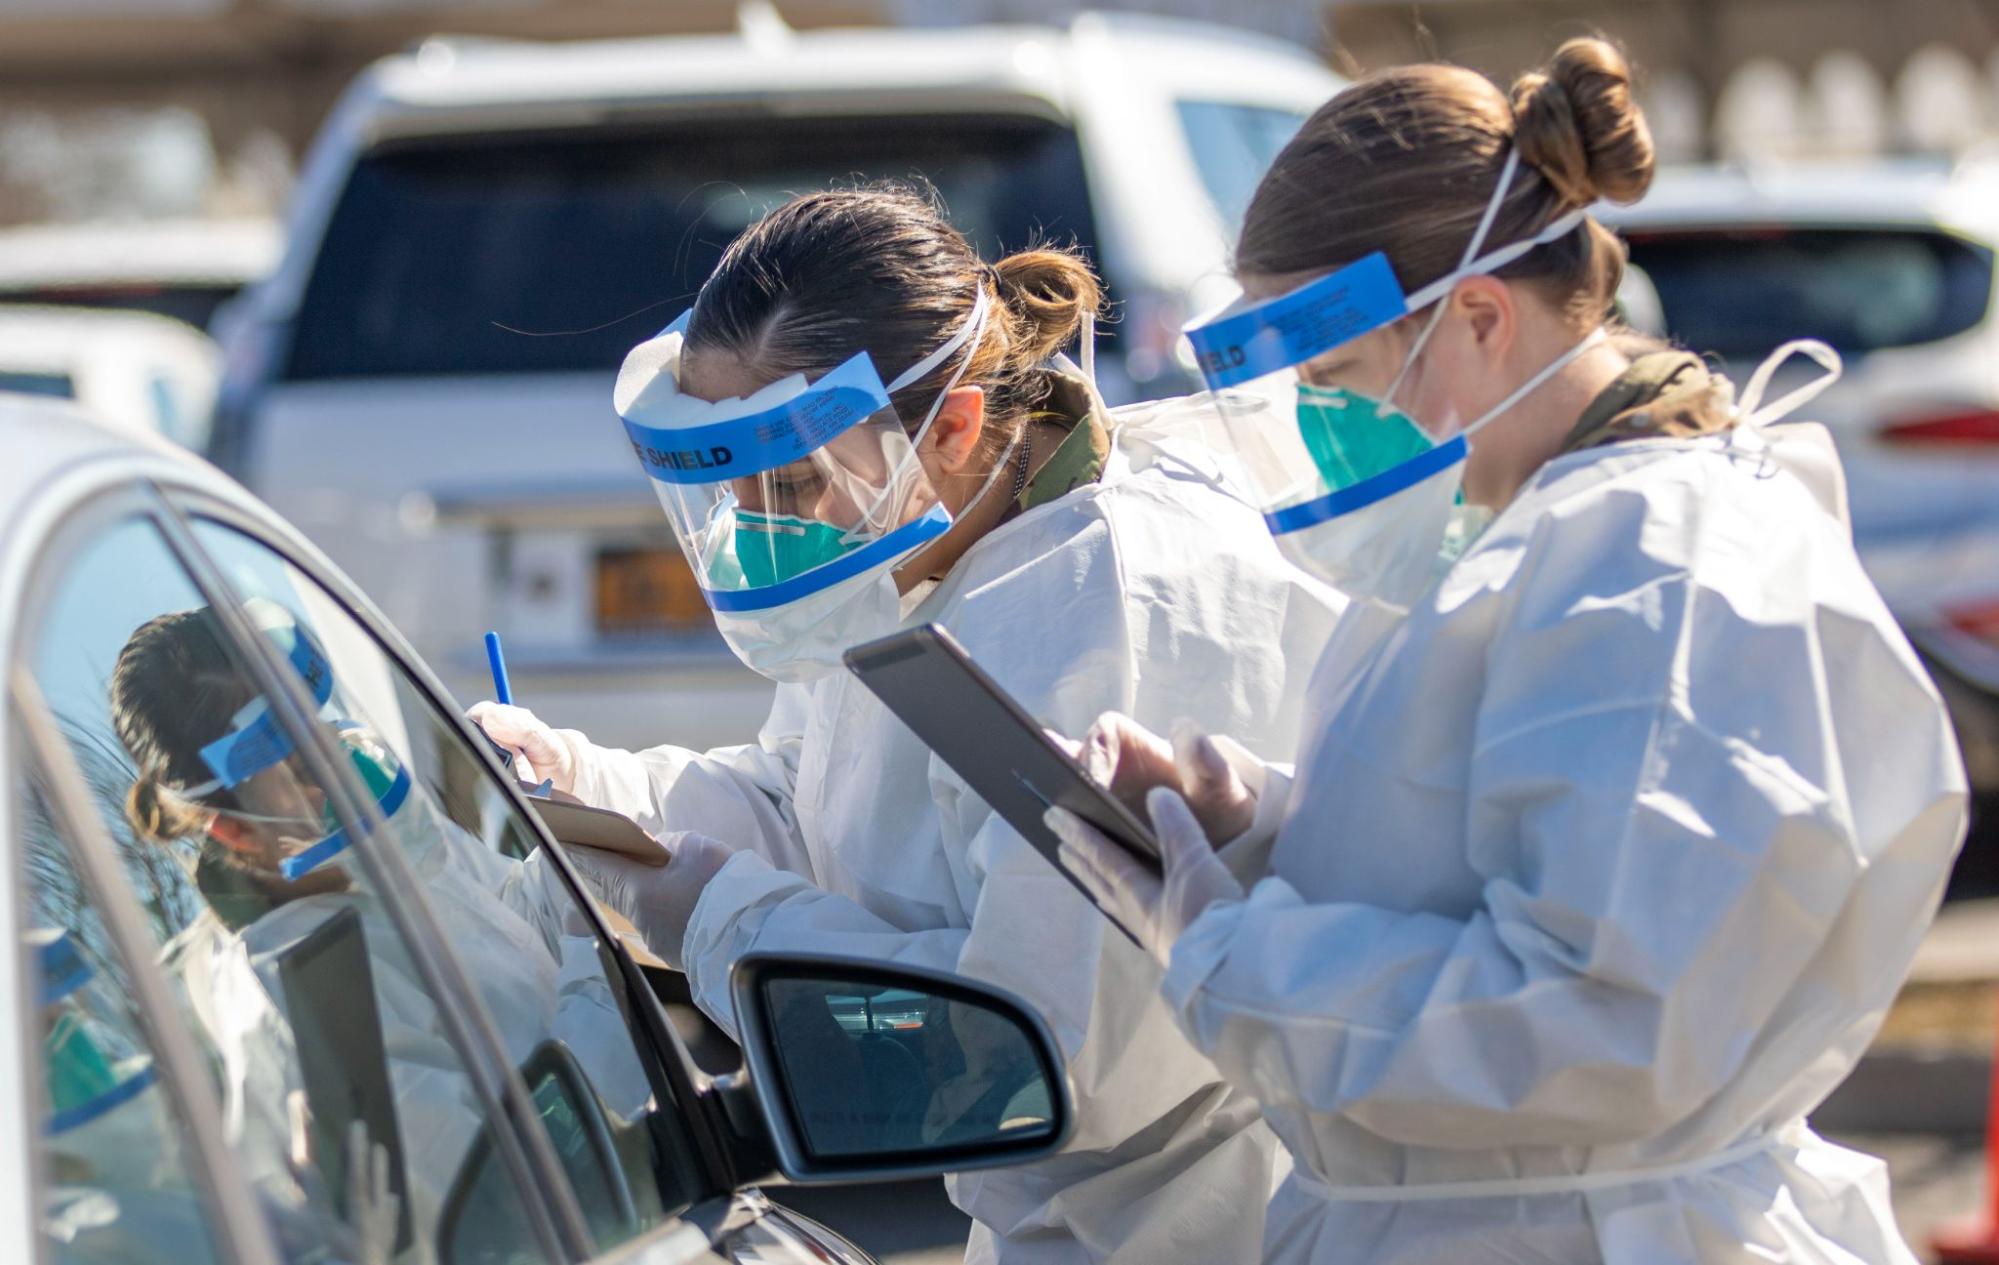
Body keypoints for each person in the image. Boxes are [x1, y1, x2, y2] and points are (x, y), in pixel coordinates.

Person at [1044, 38, 1970, 1265]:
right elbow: (1487, 856)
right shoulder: (1522, 533)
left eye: (1333, 371)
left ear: (1477, 315)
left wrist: (1222, 945)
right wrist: (1254, 821)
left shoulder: (1654, 564)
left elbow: (1595, 1021)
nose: (1317, 420)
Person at [470, 185, 1348, 1263]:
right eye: (731, 493)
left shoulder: (1100, 606)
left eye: (789, 482)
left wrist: (713, 916)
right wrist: (591, 791)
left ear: (958, 425)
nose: (757, 528)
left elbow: (1046, 1049)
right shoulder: (919, 543)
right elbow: (827, 807)